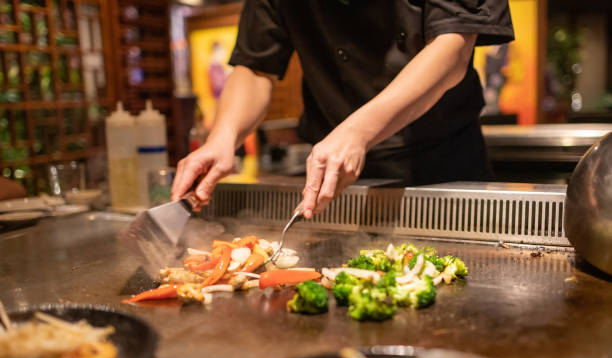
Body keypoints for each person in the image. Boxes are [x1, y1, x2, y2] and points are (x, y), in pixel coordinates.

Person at [172, 0, 514, 219]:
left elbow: (452, 48)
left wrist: (357, 132)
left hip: (444, 167)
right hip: (335, 177)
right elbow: (255, 66)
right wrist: (222, 138)